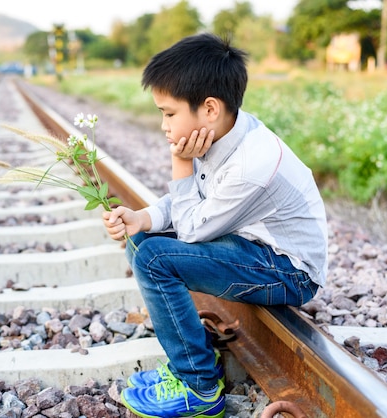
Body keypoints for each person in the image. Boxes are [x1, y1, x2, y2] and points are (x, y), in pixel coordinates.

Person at [102, 33, 328, 418]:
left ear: (209, 108)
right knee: (142, 240)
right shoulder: (224, 131)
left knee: (155, 258)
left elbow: (192, 229)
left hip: (288, 270)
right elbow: (197, 202)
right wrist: (142, 218)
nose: (163, 126)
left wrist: (180, 164)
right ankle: (189, 361)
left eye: (169, 113)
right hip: (253, 247)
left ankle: (199, 387)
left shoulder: (251, 163)